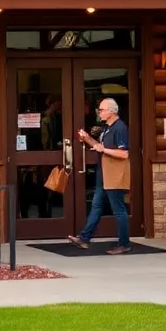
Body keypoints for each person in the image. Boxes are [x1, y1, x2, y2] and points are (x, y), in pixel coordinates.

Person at [68, 98, 132, 254]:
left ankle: (124, 243)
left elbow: (124, 153)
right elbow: (99, 147)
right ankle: (84, 239)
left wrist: (103, 150)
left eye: (102, 110)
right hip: (103, 172)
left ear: (112, 111)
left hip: (115, 174)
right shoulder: (107, 128)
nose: (99, 112)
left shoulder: (120, 128)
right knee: (96, 205)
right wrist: (87, 138)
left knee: (119, 210)